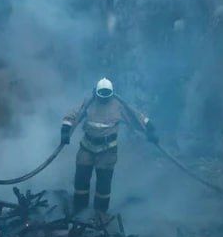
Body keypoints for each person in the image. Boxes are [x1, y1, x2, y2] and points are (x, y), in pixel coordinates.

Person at [61, 77, 157, 212]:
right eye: (101, 94)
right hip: (87, 147)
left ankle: (100, 214)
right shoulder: (89, 102)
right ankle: (80, 210)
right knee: (81, 180)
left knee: (103, 185)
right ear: (96, 92)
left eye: (107, 95)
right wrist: (65, 130)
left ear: (112, 93)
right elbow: (73, 115)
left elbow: (136, 117)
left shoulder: (118, 105)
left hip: (107, 151)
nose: (104, 98)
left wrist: (150, 130)